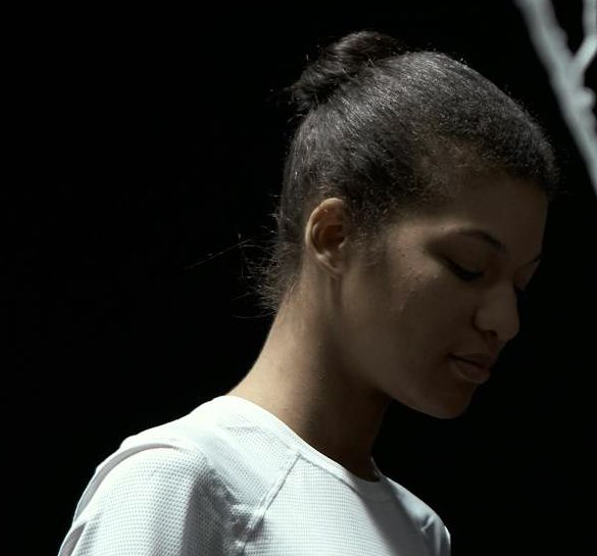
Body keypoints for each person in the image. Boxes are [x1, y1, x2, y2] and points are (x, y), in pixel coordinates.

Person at [58, 31, 557, 555]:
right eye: (469, 267)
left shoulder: (422, 534)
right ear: (334, 235)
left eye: (521, 285)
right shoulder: (180, 481)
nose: (506, 321)